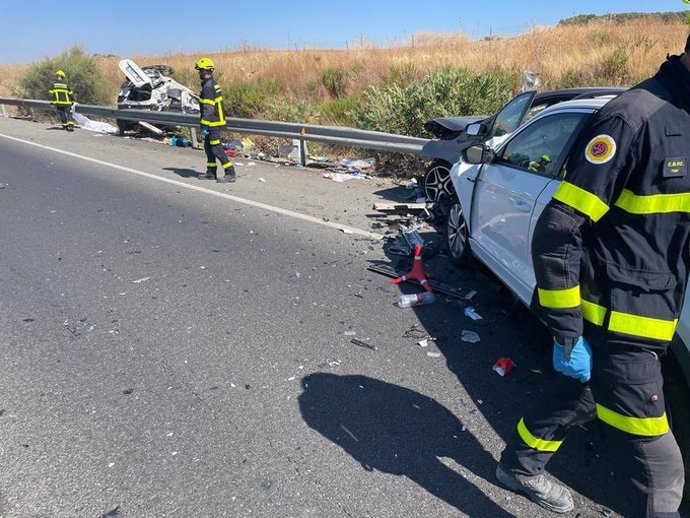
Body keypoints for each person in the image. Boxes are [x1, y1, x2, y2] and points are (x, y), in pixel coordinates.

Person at [496, 36, 690, 517]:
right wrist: (567, 332)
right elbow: (558, 232)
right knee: (660, 473)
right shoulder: (633, 118)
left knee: (581, 396)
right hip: (614, 322)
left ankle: (519, 466)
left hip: (654, 312)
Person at [194, 57, 236, 183]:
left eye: (199, 70)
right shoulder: (212, 83)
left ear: (204, 71)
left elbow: (208, 108)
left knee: (216, 148)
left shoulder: (208, 87)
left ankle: (230, 173)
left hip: (213, 122)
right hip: (213, 121)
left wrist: (204, 125)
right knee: (208, 147)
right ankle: (211, 173)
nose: (198, 73)